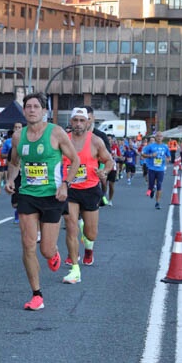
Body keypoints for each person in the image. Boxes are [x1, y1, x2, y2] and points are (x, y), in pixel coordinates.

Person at [4, 92, 79, 311]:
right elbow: (15, 162)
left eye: (36, 106)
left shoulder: (56, 133)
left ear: (44, 111)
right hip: (27, 194)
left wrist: (66, 183)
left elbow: (74, 160)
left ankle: (53, 253)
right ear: (24, 110)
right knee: (27, 244)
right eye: (28, 106)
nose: (32, 110)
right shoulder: (18, 136)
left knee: (45, 249)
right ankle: (37, 294)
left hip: (53, 196)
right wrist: (10, 179)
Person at [61, 107, 114, 284]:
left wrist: (104, 172)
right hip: (69, 189)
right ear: (71, 122)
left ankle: (88, 245)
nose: (78, 124)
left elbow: (109, 161)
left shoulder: (96, 141)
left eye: (81, 120)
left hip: (90, 189)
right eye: (75, 120)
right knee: (70, 226)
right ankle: (75, 269)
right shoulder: (63, 140)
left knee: (91, 234)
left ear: (88, 122)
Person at [141, 132, 172, 210]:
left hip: (160, 169)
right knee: (151, 185)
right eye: (157, 136)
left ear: (163, 138)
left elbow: (169, 156)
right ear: (155, 137)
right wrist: (151, 155)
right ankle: (151, 190)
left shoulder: (165, 147)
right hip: (151, 168)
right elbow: (143, 154)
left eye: (160, 136)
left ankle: (157, 203)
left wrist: (168, 160)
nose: (159, 137)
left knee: (159, 185)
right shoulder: (151, 146)